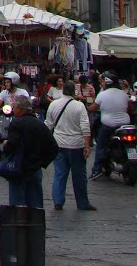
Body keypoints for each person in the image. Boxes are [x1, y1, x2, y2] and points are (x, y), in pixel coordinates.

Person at [45, 79, 96, 211]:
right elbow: (85, 126)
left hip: (59, 144)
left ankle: (58, 201)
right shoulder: (79, 106)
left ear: (63, 90)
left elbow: (48, 125)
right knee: (79, 175)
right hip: (76, 145)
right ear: (74, 91)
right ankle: (82, 202)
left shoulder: (54, 105)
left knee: (60, 174)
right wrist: (87, 145)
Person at [2, 95, 57, 209]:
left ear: (19, 108)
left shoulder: (17, 123)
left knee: (18, 205)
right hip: (35, 168)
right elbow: (53, 148)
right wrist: (42, 162)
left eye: (14, 106)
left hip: (19, 168)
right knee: (36, 205)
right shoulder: (39, 124)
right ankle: (35, 225)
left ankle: (20, 225)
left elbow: (12, 144)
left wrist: (5, 147)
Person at [89, 72, 131, 180]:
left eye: (102, 81)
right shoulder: (123, 94)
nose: (101, 84)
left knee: (100, 147)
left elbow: (93, 108)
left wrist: (87, 107)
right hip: (125, 125)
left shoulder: (102, 95)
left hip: (108, 125)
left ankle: (96, 170)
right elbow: (129, 108)